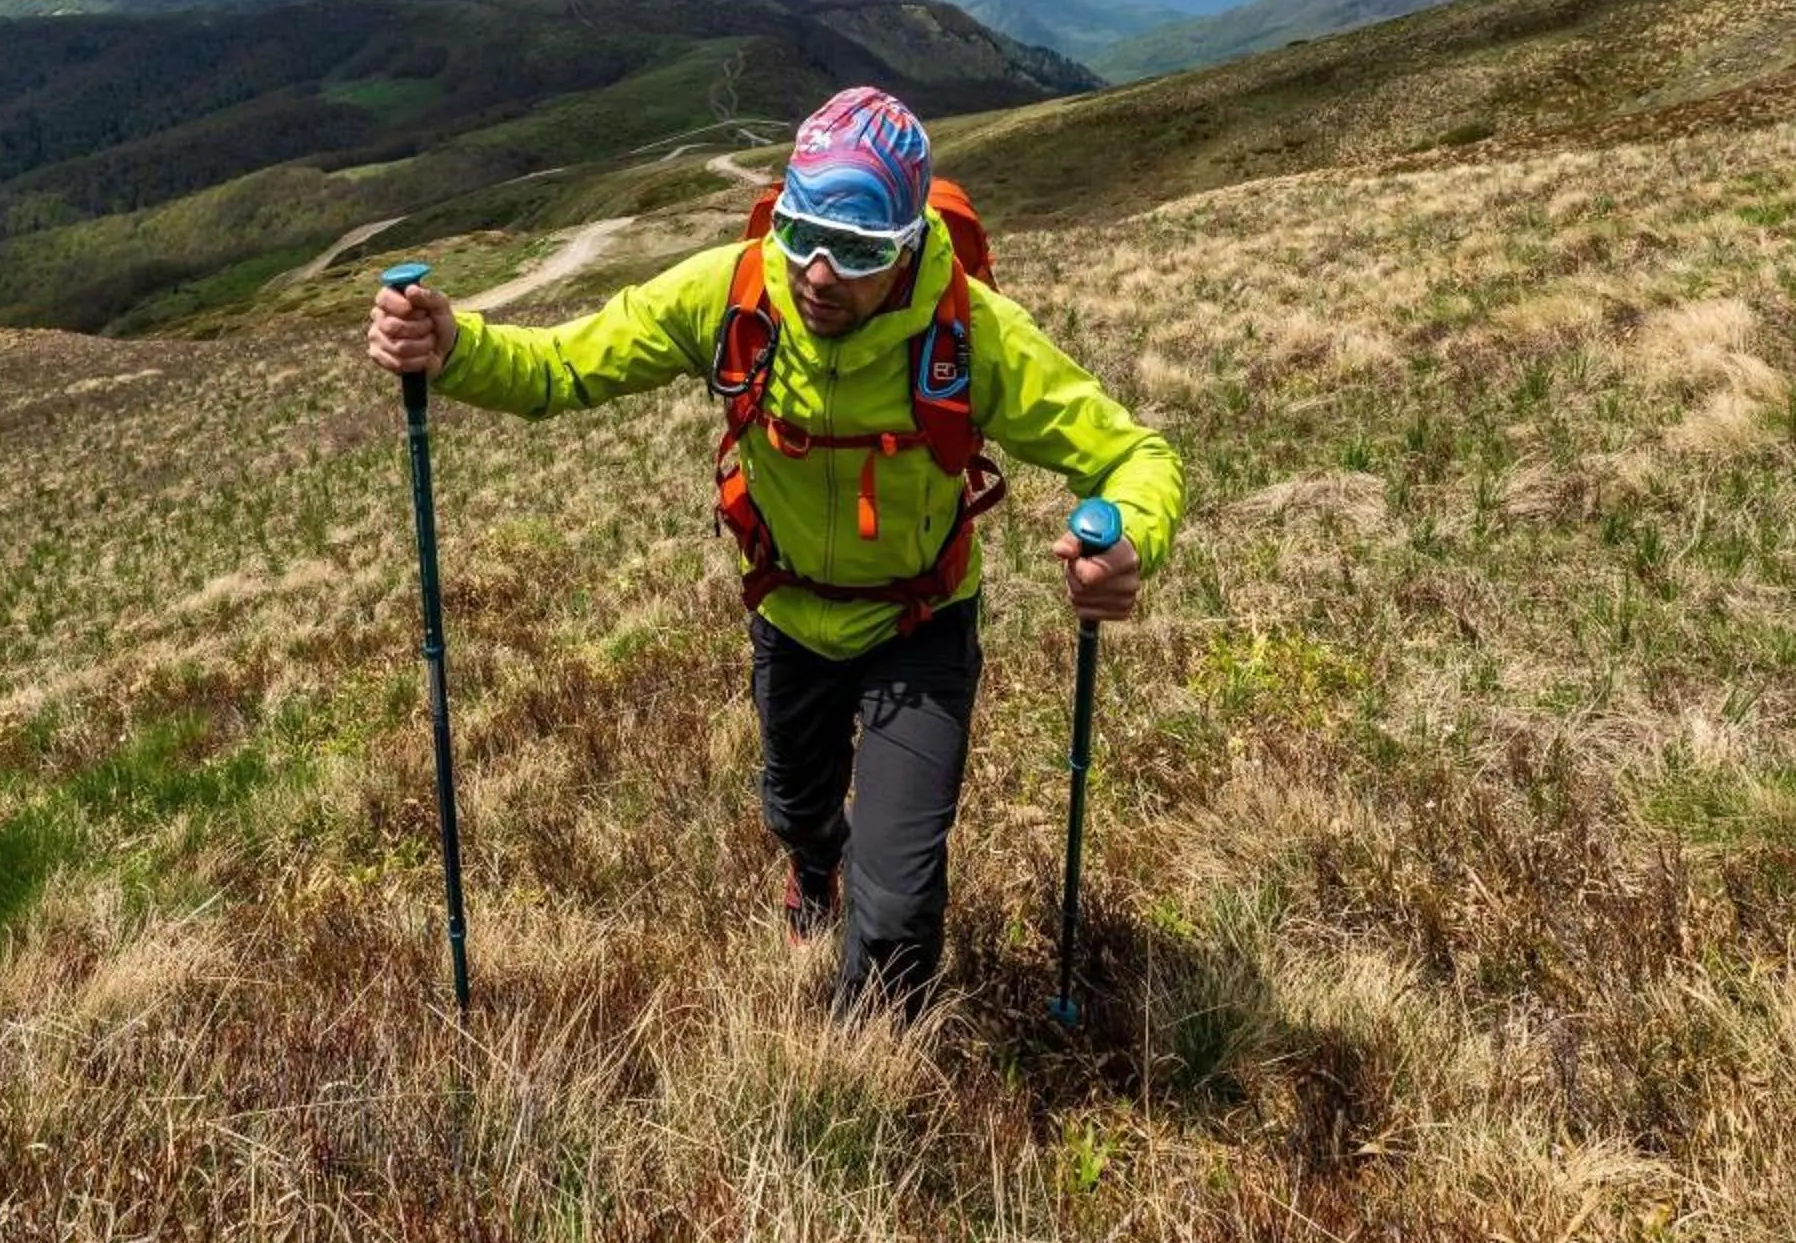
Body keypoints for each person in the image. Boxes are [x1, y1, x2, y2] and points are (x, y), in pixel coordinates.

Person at [365, 85, 1183, 1013]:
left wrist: (1126, 543)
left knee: (900, 902)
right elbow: (563, 368)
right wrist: (453, 345)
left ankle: (856, 1084)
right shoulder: (734, 291)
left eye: (862, 251)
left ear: (911, 244)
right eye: (800, 235)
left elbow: (1133, 456)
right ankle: (811, 862)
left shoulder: (973, 337)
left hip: (921, 628)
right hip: (787, 615)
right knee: (797, 806)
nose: (821, 275)